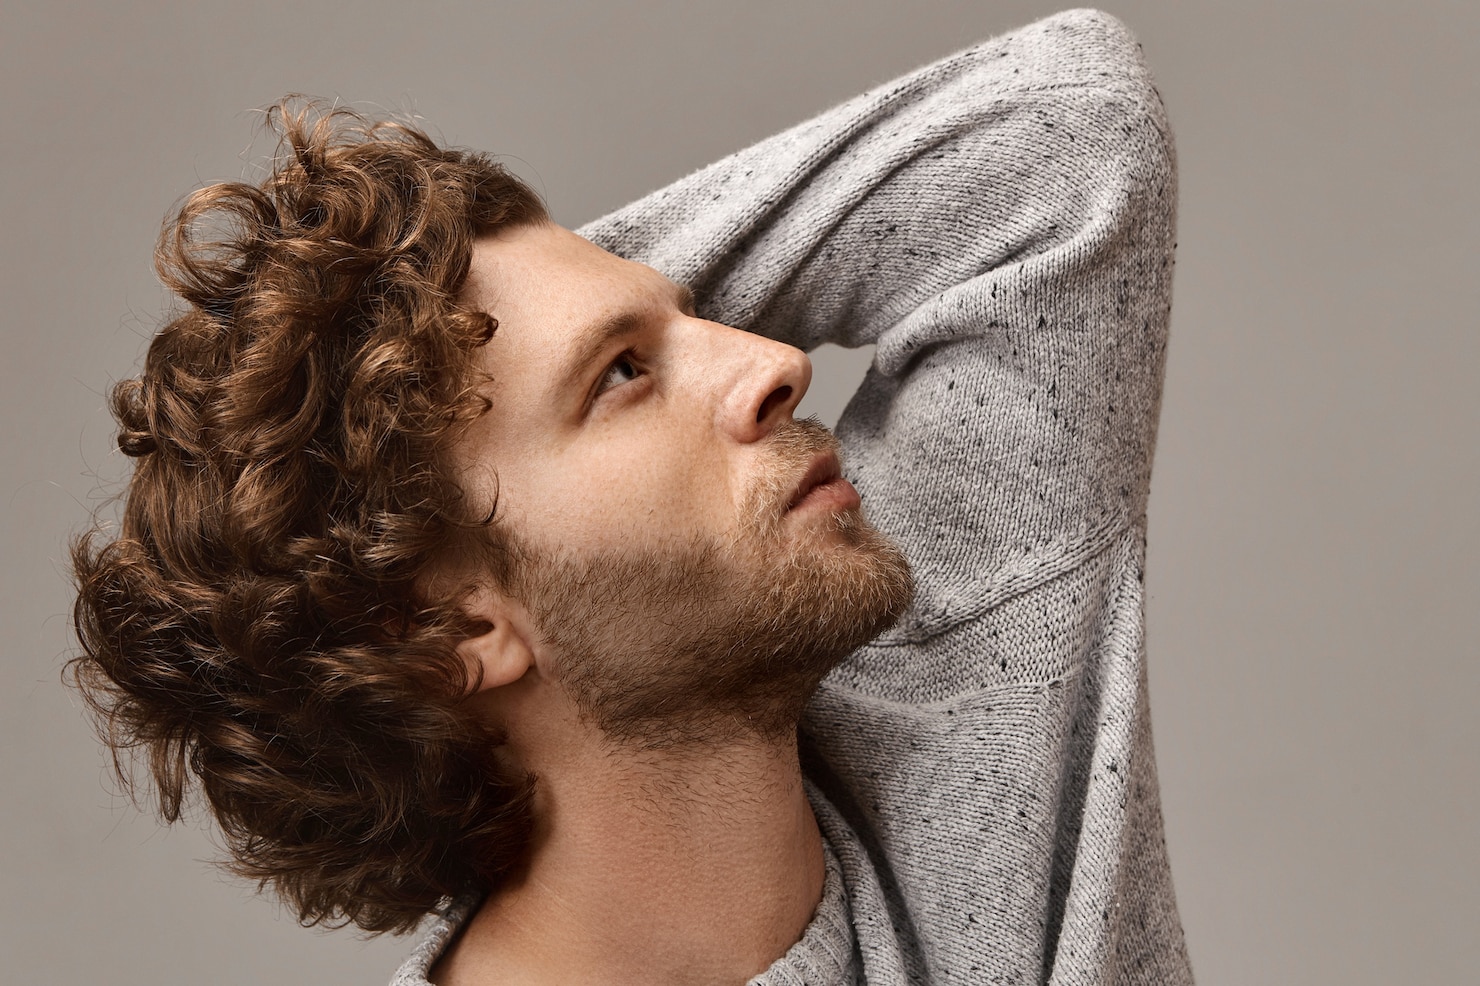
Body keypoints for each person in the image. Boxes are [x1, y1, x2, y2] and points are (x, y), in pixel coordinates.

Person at [71, 8, 1191, 985]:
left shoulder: (971, 710)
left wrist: (415, 328)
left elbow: (1064, 137)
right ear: (451, 621)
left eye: (694, 313)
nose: (771, 362)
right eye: (620, 375)